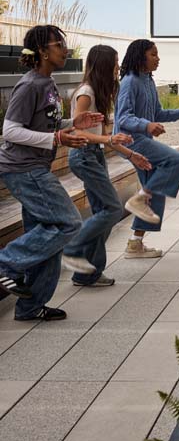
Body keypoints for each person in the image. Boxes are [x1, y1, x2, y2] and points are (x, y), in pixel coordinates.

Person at [0, 25, 104, 321]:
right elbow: (10, 130)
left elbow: (43, 124)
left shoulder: (47, 83)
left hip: (35, 167)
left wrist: (72, 123)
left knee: (47, 236)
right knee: (68, 223)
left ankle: (31, 307)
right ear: (43, 52)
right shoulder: (30, 85)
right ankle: (5, 264)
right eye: (59, 45)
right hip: (23, 169)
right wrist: (56, 138)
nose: (65, 50)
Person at [62, 45, 153, 287]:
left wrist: (131, 155)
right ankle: (72, 247)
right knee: (112, 209)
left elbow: (105, 137)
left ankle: (86, 273)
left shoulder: (98, 93)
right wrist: (107, 140)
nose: (117, 68)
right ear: (103, 65)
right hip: (83, 156)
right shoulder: (86, 93)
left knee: (102, 211)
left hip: (95, 155)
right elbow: (76, 131)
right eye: (114, 63)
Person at [115, 39, 179, 259]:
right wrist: (146, 125)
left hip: (142, 139)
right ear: (140, 56)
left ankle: (135, 243)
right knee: (177, 160)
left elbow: (157, 114)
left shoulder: (148, 81)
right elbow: (123, 118)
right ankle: (141, 197)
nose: (158, 58)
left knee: (156, 193)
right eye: (153, 54)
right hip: (131, 141)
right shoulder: (130, 81)